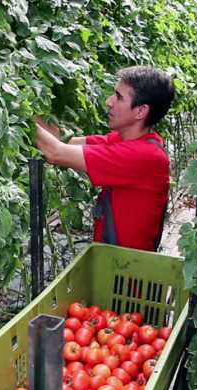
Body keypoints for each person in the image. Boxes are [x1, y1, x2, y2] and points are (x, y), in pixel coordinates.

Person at [34, 65, 176, 251]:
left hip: (125, 270)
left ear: (141, 111)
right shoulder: (124, 140)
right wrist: (26, 109)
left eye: (118, 97)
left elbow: (55, 152)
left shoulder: (140, 156)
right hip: (112, 259)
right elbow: (62, 141)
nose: (109, 101)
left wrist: (12, 113)